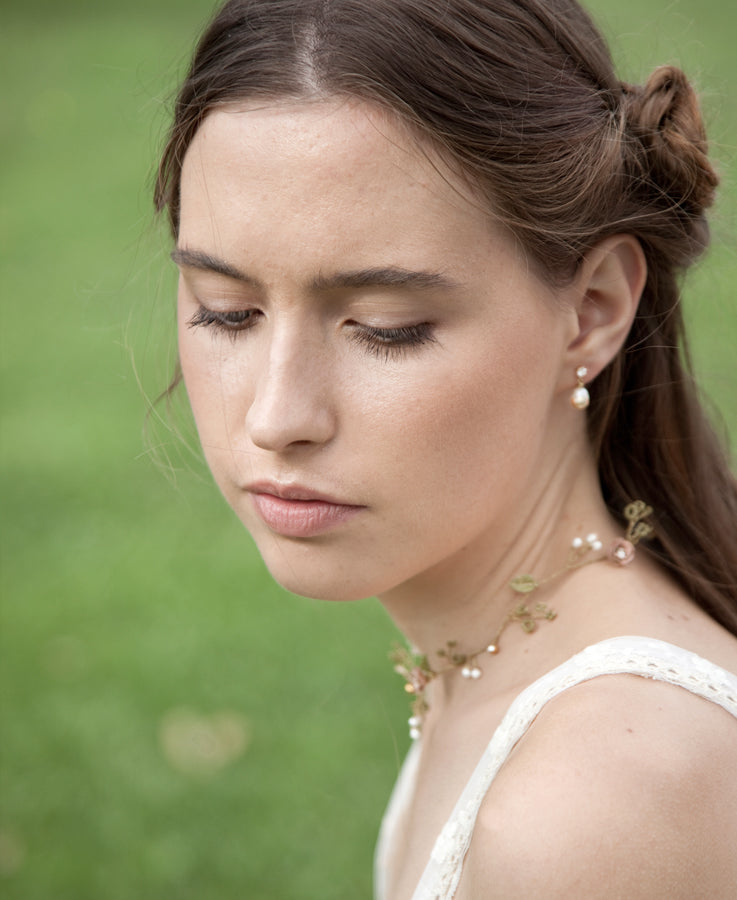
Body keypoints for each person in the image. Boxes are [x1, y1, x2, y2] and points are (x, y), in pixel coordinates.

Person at [154, 0, 737, 896]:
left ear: (591, 312)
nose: (277, 416)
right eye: (225, 310)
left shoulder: (593, 806)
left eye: (385, 328)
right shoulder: (508, 661)